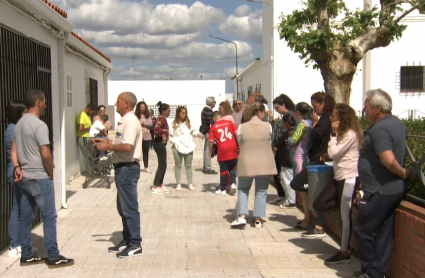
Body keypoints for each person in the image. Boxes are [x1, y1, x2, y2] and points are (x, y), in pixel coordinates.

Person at [353, 89, 412, 278]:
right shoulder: (397, 124)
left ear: (378, 108)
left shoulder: (379, 129)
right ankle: (376, 272)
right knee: (383, 232)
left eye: (366, 106)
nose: (364, 110)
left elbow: (388, 159)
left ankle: (371, 272)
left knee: (363, 230)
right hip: (390, 189)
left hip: (379, 190)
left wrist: (403, 173)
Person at [12, 89, 74, 267]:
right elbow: (45, 153)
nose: (46, 104)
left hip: (25, 177)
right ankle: (53, 256)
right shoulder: (39, 125)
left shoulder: (19, 123)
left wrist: (18, 167)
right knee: (49, 217)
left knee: (25, 217)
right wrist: (50, 170)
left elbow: (14, 150)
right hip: (40, 176)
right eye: (45, 101)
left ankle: (27, 254)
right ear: (39, 102)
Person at [93, 92, 143, 258]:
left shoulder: (130, 121)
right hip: (122, 168)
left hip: (128, 168)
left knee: (129, 208)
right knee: (123, 207)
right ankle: (128, 240)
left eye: (118, 102)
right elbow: (120, 141)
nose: (115, 104)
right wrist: (107, 140)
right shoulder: (124, 121)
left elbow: (128, 147)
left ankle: (135, 243)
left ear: (126, 104)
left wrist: (109, 145)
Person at [312, 103, 362, 265]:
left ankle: (344, 252)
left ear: (341, 119)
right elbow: (334, 153)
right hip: (339, 177)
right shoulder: (343, 134)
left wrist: (333, 135)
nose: (331, 118)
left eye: (334, 116)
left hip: (349, 178)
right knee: (319, 203)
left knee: (345, 218)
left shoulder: (350, 134)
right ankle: (342, 206)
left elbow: (334, 152)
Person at [290, 91, 335, 234]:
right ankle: (312, 220)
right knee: (313, 189)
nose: (314, 110)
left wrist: (315, 123)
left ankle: (314, 222)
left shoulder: (321, 121)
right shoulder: (321, 120)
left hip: (314, 160)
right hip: (315, 159)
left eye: (315, 106)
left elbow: (315, 135)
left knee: (302, 185)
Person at [231, 103, 277, 229]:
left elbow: (239, 141)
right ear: (260, 112)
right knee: (261, 192)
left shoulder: (242, 126)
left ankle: (241, 216)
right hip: (265, 163)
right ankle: (258, 219)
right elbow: (270, 141)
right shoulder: (268, 126)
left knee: (243, 190)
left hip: (247, 162)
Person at [5, 100, 27, 258]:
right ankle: (14, 244)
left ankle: (18, 241)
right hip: (16, 171)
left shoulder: (13, 128)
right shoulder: (13, 129)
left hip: (16, 170)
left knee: (20, 207)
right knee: (17, 208)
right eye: (25, 112)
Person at [286, 102, 313, 210]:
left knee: (301, 188)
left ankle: (307, 215)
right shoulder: (310, 123)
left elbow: (293, 140)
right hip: (306, 155)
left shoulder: (302, 124)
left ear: (297, 112)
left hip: (298, 156)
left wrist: (288, 139)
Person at [270, 94, 296, 206]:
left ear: (283, 105)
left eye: (277, 108)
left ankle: (289, 198)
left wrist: (276, 146)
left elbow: (287, 133)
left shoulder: (290, 116)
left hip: (284, 150)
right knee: (278, 174)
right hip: (280, 148)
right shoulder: (285, 116)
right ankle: (283, 195)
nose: (277, 111)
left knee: (284, 175)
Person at [169, 106, 204, 191]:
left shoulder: (188, 124)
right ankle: (178, 184)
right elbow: (170, 136)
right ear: (178, 113)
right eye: (182, 113)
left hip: (188, 147)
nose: (184, 115)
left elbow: (194, 131)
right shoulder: (173, 125)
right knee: (178, 165)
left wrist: (199, 134)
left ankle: (190, 183)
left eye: (185, 113)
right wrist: (175, 142)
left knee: (188, 165)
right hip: (177, 147)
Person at [208, 111, 239, 195]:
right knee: (233, 167)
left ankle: (223, 189)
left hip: (222, 150)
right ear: (221, 117)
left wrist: (210, 151)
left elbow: (210, 140)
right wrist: (239, 145)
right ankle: (233, 184)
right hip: (233, 148)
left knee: (223, 170)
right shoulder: (230, 123)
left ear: (214, 119)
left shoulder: (213, 127)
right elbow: (237, 134)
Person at [151, 101, 171, 195]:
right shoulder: (161, 118)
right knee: (162, 164)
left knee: (164, 164)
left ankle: (160, 184)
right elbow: (156, 129)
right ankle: (155, 186)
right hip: (159, 143)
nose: (169, 112)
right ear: (163, 111)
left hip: (161, 144)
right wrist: (162, 135)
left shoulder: (163, 118)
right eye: (168, 111)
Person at [135, 101, 153, 173]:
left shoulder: (147, 116)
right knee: (137, 152)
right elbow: (135, 124)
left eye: (144, 107)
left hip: (147, 136)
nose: (143, 109)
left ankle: (146, 166)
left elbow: (150, 123)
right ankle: (136, 166)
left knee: (146, 152)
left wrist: (142, 123)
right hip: (138, 136)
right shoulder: (135, 115)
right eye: (141, 107)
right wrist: (143, 127)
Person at [200, 96, 217, 174]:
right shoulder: (209, 111)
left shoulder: (204, 110)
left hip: (206, 132)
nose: (215, 103)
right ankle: (207, 168)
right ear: (211, 103)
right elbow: (211, 124)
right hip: (209, 132)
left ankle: (205, 167)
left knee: (206, 150)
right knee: (208, 150)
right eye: (214, 101)